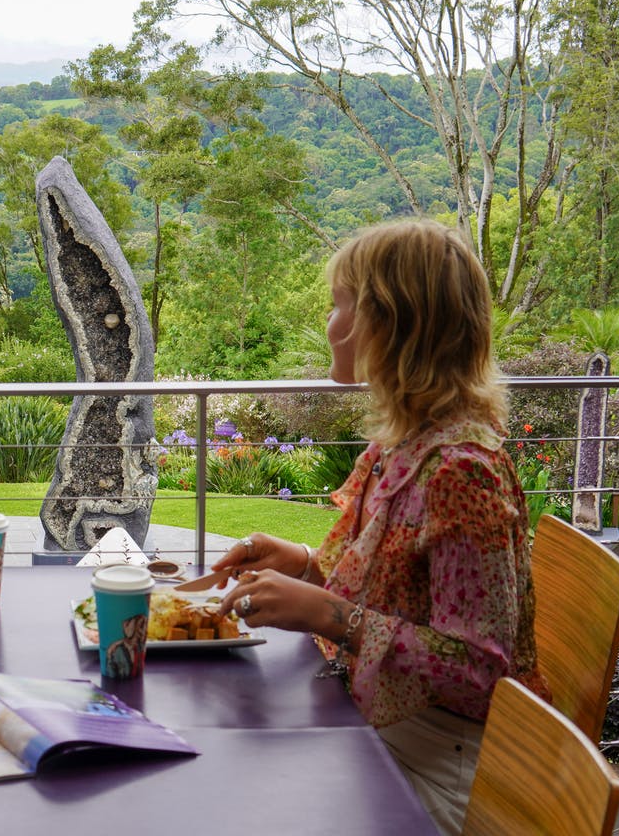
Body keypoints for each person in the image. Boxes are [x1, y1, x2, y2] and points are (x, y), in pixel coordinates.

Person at [212, 219, 549, 836]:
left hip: (443, 763)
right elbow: (399, 596)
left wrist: (327, 615)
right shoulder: (403, 444)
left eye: (341, 303)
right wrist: (307, 566)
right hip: (384, 722)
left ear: (393, 323)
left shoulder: (460, 471)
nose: (331, 323)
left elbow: (483, 670)